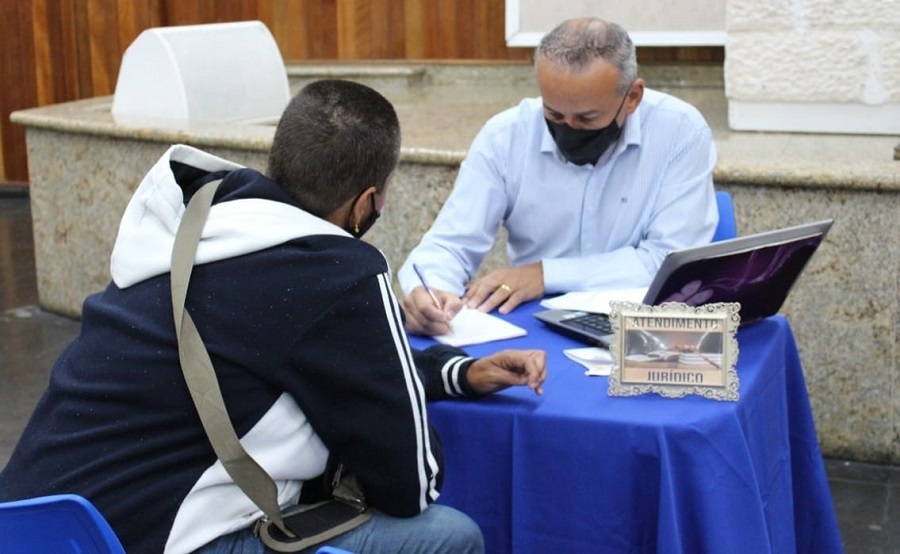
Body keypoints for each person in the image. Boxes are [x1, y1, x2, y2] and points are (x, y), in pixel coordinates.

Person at [0, 80, 546, 554]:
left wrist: (453, 374)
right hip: (149, 540)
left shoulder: (190, 227)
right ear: (367, 203)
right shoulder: (339, 271)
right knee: (448, 536)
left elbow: (285, 359)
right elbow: (412, 485)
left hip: (34, 526)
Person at [398, 17, 719, 336]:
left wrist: (544, 275)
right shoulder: (506, 135)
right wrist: (429, 291)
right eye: (553, 113)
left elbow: (668, 260)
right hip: (531, 323)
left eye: (586, 117)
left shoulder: (679, 131)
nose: (568, 128)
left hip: (638, 325)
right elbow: (450, 244)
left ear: (632, 97)